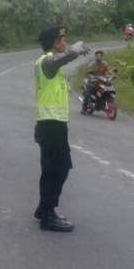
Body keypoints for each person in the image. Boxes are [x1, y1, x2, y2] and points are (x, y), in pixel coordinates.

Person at [33, 27, 90, 232]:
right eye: (62, 40)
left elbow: (61, 61)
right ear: (54, 43)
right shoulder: (46, 62)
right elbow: (57, 61)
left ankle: (44, 208)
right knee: (56, 169)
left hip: (54, 125)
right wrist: (73, 51)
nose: (64, 42)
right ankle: (48, 215)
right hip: (50, 125)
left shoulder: (53, 65)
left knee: (57, 168)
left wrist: (74, 53)